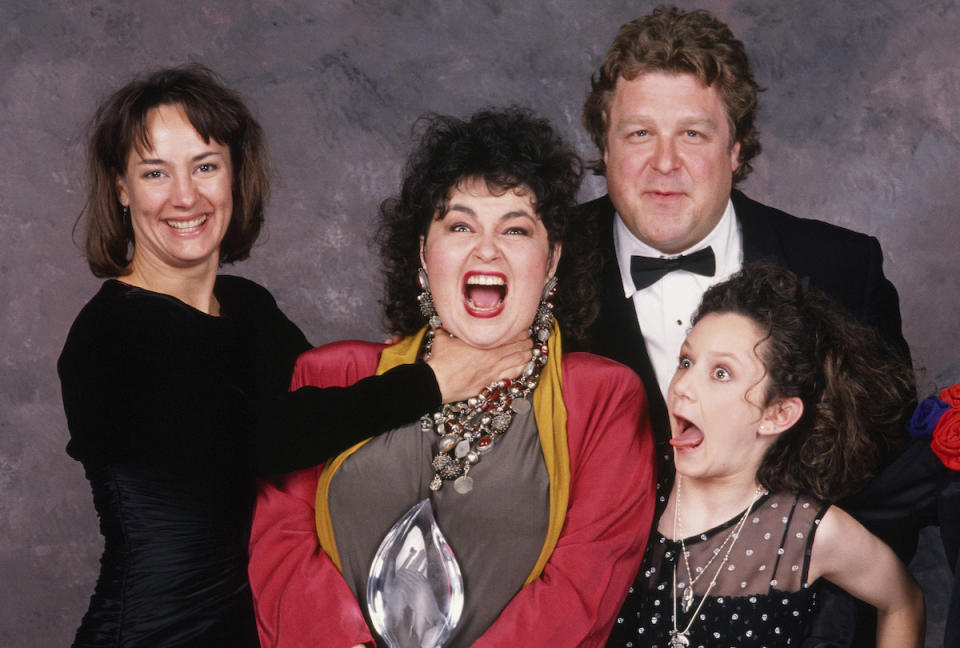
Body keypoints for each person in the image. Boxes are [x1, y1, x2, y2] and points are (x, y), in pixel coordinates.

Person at [58, 65, 531, 648]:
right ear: (122, 188)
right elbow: (262, 441)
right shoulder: (111, 332)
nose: (186, 196)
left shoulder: (246, 307)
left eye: (206, 166)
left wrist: (454, 341)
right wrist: (429, 380)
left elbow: (334, 408)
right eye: (155, 173)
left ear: (235, 176)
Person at [570, 7, 950, 645]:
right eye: (639, 134)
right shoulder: (533, 265)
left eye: (693, 134)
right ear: (605, 144)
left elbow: (887, 499)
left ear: (736, 147)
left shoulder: (842, 268)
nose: (664, 163)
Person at [247, 108, 657, 647]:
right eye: (460, 225)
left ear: (552, 258)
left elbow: (583, 592)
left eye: (515, 228)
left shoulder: (603, 398)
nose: (486, 249)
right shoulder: (331, 373)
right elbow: (281, 555)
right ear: (423, 251)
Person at [606, 263, 924, 648]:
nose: (683, 385)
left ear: (778, 415)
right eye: (686, 362)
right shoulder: (627, 492)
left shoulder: (808, 531)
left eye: (721, 373)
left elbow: (903, 602)